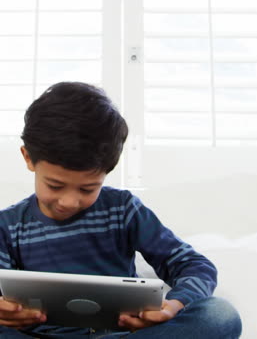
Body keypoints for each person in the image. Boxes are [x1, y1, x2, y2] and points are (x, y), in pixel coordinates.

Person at [0, 82, 242, 339]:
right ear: (28, 158)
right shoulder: (8, 226)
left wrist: (173, 306)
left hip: (121, 336)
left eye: (87, 189)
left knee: (220, 315)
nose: (69, 201)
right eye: (55, 185)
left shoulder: (124, 210)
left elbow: (194, 265)